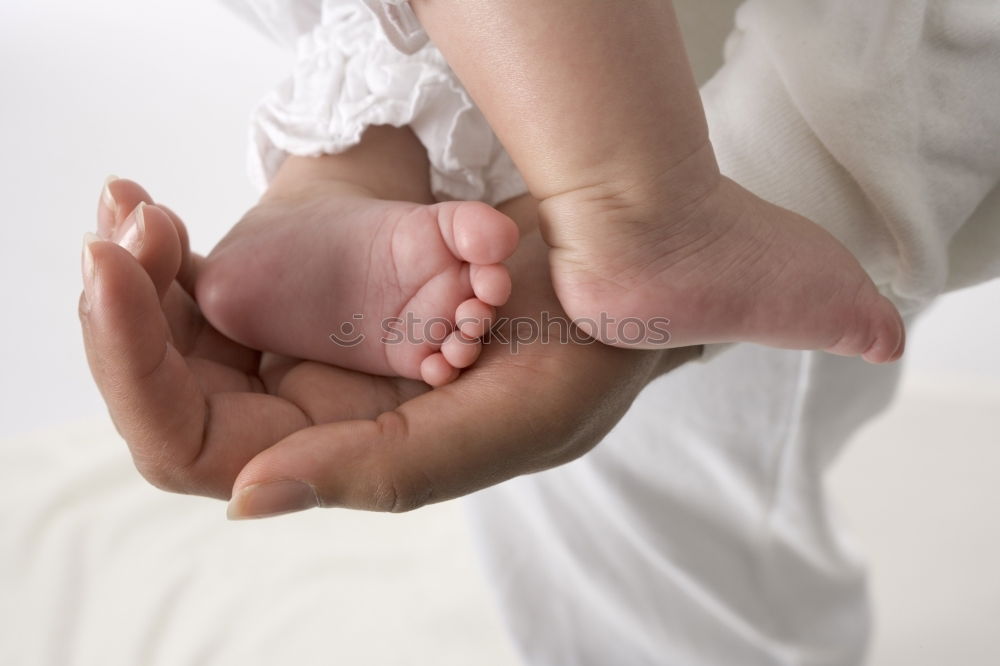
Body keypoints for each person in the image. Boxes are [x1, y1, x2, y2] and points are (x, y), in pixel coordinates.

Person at [82, 0, 1000, 664]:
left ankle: (356, 168)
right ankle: (644, 210)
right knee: (671, 524)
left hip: (530, 85)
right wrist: (682, 196)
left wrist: (368, 129)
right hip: (708, 110)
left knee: (580, 459)